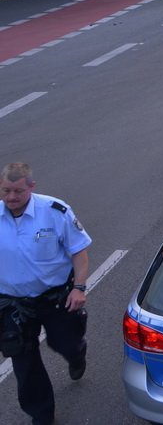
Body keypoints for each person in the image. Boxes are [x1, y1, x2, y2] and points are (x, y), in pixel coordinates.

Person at [0, 163, 91, 425]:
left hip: (56, 299)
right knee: (23, 362)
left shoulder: (54, 211)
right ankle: (41, 414)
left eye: (18, 191)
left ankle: (76, 353)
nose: (11, 197)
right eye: (6, 190)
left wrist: (79, 287)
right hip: (12, 304)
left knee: (64, 342)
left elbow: (79, 251)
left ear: (31, 187)